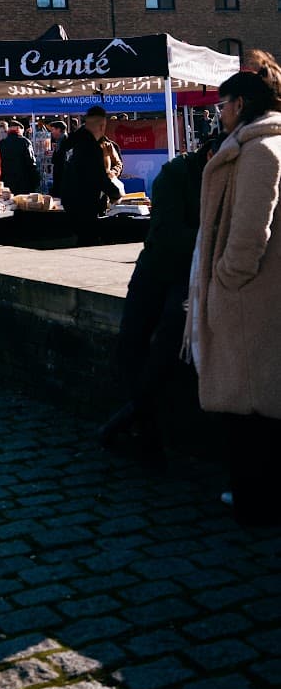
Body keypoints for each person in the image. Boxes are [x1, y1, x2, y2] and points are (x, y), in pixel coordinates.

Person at [184, 51, 281, 526]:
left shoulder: (261, 151)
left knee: (249, 410)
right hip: (262, 297)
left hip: (250, 299)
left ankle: (254, 502)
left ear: (239, 105)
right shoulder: (262, 145)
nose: (216, 114)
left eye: (220, 105)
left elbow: (249, 234)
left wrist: (223, 280)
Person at [100, 134, 218, 467]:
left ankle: (132, 417)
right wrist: (216, 235)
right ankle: (146, 430)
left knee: (168, 345)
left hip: (190, 273)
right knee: (131, 342)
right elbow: (168, 233)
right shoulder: (175, 173)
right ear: (209, 155)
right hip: (157, 266)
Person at [61, 105, 120, 243]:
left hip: (72, 199)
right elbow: (98, 175)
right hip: (84, 202)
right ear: (100, 125)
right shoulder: (89, 145)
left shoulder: (74, 140)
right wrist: (114, 193)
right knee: (88, 240)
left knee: (83, 238)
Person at [0, 121, 40, 193]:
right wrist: (36, 180)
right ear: (18, 129)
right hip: (23, 183)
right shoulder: (25, 142)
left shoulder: (2, 143)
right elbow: (31, 163)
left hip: (7, 183)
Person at [49, 121, 71, 197]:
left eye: (53, 130)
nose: (51, 132)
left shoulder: (65, 141)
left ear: (58, 130)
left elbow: (65, 160)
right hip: (60, 179)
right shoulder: (60, 141)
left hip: (63, 180)